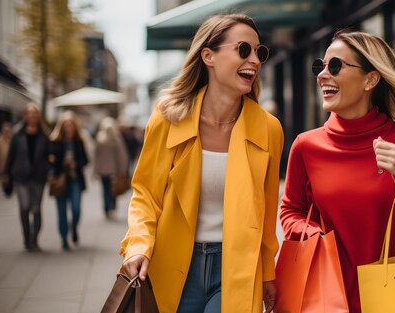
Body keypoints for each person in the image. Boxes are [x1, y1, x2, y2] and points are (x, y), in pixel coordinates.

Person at [118, 14, 283, 313]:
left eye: (260, 52)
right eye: (243, 49)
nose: (255, 60)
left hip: (238, 266)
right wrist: (138, 245)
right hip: (174, 264)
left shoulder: (269, 129)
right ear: (208, 55)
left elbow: (267, 211)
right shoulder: (168, 118)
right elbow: (145, 194)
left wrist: (268, 272)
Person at [279, 30, 395, 313]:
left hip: (394, 296)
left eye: (335, 66)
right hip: (325, 296)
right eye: (321, 66)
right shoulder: (306, 146)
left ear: (370, 79)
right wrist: (311, 232)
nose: (322, 75)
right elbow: (291, 210)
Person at [3, 103, 50, 251]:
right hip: (21, 177)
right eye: (29, 113)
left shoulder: (44, 135)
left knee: (36, 208)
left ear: (38, 116)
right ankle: (26, 238)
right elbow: (11, 155)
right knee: (24, 207)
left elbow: (50, 154)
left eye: (35, 113)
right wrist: (6, 173)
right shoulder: (17, 134)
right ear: (25, 116)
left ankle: (34, 239)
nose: (32, 116)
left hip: (38, 177)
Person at [49, 111, 89, 250]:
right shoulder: (55, 141)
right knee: (61, 211)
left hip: (75, 180)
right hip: (60, 180)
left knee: (76, 209)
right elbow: (50, 161)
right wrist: (59, 162)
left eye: (71, 124)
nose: (68, 127)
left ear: (74, 126)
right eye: (66, 125)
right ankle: (64, 237)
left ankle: (73, 228)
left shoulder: (79, 141)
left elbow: (86, 160)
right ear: (61, 126)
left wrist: (75, 163)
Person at [93, 117, 129, 219]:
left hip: (111, 170)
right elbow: (97, 156)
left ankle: (109, 207)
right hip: (107, 170)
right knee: (107, 189)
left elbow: (121, 155)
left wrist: (122, 169)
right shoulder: (103, 138)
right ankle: (108, 208)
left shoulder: (115, 138)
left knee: (110, 189)